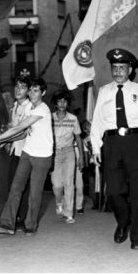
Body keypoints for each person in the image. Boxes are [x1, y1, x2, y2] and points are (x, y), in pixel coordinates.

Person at [91, 48, 138, 250]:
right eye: (115, 68)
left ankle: (137, 238)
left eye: (122, 68)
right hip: (112, 144)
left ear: (130, 70)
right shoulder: (104, 91)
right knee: (113, 191)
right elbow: (97, 123)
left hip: (136, 142)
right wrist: (96, 148)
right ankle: (124, 221)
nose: (118, 71)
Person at [0, 78, 53, 236]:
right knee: (15, 188)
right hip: (27, 152)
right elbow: (23, 132)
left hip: (42, 156)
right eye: (31, 90)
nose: (33, 94)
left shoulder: (43, 109)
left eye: (36, 91)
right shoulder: (29, 109)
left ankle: (30, 225)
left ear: (43, 93)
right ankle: (7, 224)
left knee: (35, 192)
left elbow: (20, 126)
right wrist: (5, 140)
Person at [51, 91, 84, 224]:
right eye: (59, 101)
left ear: (68, 103)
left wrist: (81, 156)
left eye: (65, 101)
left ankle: (69, 213)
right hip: (55, 153)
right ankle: (59, 202)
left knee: (69, 183)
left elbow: (78, 137)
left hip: (69, 152)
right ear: (55, 103)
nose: (62, 103)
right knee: (57, 184)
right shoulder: (49, 118)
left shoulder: (73, 118)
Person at [7, 76, 32, 230]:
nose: (18, 90)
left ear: (28, 91)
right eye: (16, 86)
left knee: (23, 186)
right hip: (15, 151)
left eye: (22, 87)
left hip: (27, 151)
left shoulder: (30, 108)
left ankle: (23, 218)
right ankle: (16, 216)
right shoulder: (15, 106)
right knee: (13, 185)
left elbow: (22, 131)